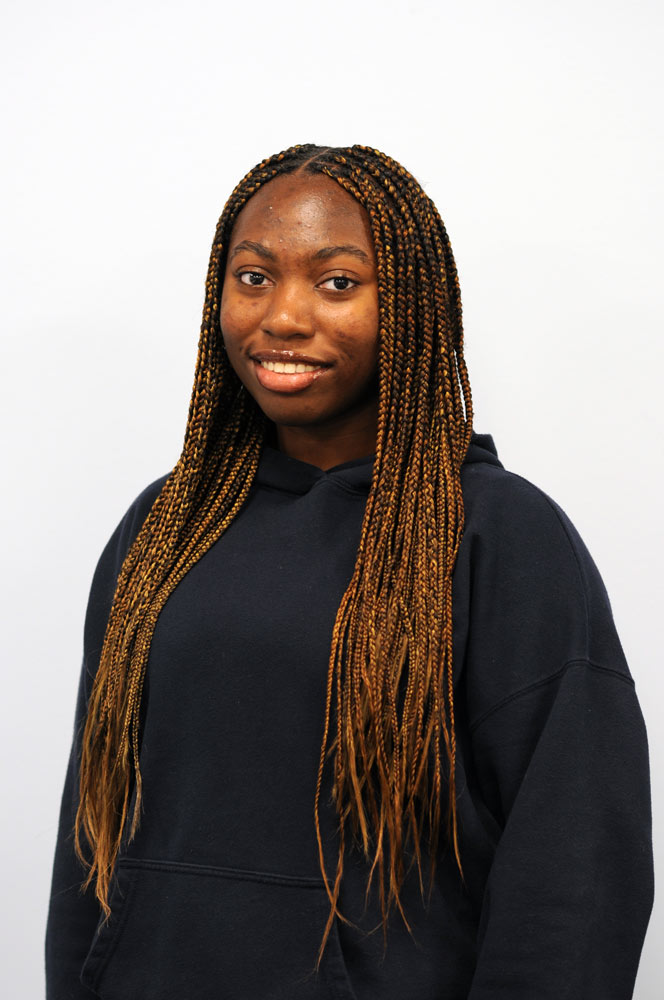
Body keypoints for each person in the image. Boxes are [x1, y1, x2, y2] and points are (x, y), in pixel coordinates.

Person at [45, 144, 654, 999]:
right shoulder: (165, 527)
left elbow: (576, 872)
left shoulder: (501, 537)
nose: (283, 316)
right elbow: (93, 835)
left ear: (409, 305)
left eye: (337, 283)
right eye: (253, 277)